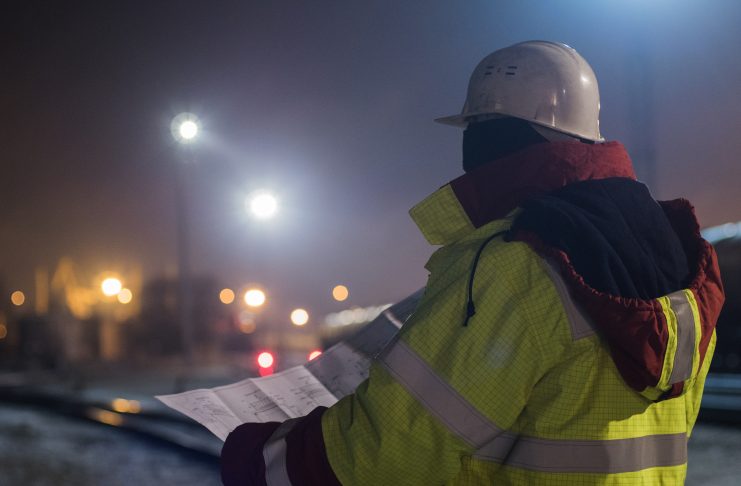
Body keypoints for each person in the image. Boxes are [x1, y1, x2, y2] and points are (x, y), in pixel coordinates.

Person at [221, 40, 724, 485]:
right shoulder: (676, 257)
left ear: (495, 138)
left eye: (480, 129)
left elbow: (387, 454)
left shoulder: (515, 265)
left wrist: (259, 459)